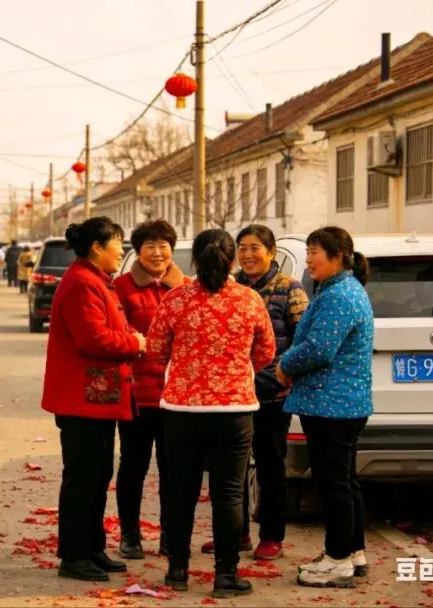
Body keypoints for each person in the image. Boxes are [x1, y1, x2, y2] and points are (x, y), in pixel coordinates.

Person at [146, 228, 275, 597]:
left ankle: (177, 570)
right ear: (232, 260)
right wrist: (235, 368)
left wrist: (186, 365)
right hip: (234, 410)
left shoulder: (175, 299)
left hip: (182, 410)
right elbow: (265, 352)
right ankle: (226, 575)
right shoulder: (249, 299)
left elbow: (155, 350)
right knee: (229, 493)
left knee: (181, 490)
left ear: (194, 260)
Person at [42, 217, 146, 583]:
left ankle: (92, 548)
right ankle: (74, 555)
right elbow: (93, 339)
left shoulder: (97, 280)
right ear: (97, 247)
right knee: (82, 479)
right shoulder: (82, 283)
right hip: (81, 400)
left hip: (97, 398)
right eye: (117, 242)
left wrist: (131, 334)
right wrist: (134, 343)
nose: (122, 250)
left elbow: (110, 326)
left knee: (98, 475)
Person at [197, 225, 309, 560]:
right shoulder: (228, 286)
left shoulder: (289, 288)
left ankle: (272, 535)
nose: (248, 255)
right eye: (242, 248)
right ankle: (236, 533)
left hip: (271, 394)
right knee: (229, 468)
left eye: (255, 248)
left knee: (270, 466)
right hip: (231, 394)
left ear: (271, 252)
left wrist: (282, 375)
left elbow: (302, 339)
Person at [276, 226, 373, 588]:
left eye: (314, 252)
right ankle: (353, 552)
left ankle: (338, 559)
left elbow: (319, 348)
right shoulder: (339, 289)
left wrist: (285, 365)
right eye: (308, 252)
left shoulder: (339, 295)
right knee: (344, 481)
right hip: (340, 403)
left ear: (338, 256)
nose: (309, 260)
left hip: (333, 405)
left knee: (333, 484)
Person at [112, 220, 189, 560]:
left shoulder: (187, 288)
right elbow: (120, 331)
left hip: (177, 396)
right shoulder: (121, 288)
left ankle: (171, 535)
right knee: (133, 467)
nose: (157, 253)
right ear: (137, 251)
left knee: (175, 470)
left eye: (163, 246)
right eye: (149, 246)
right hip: (137, 394)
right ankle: (130, 535)